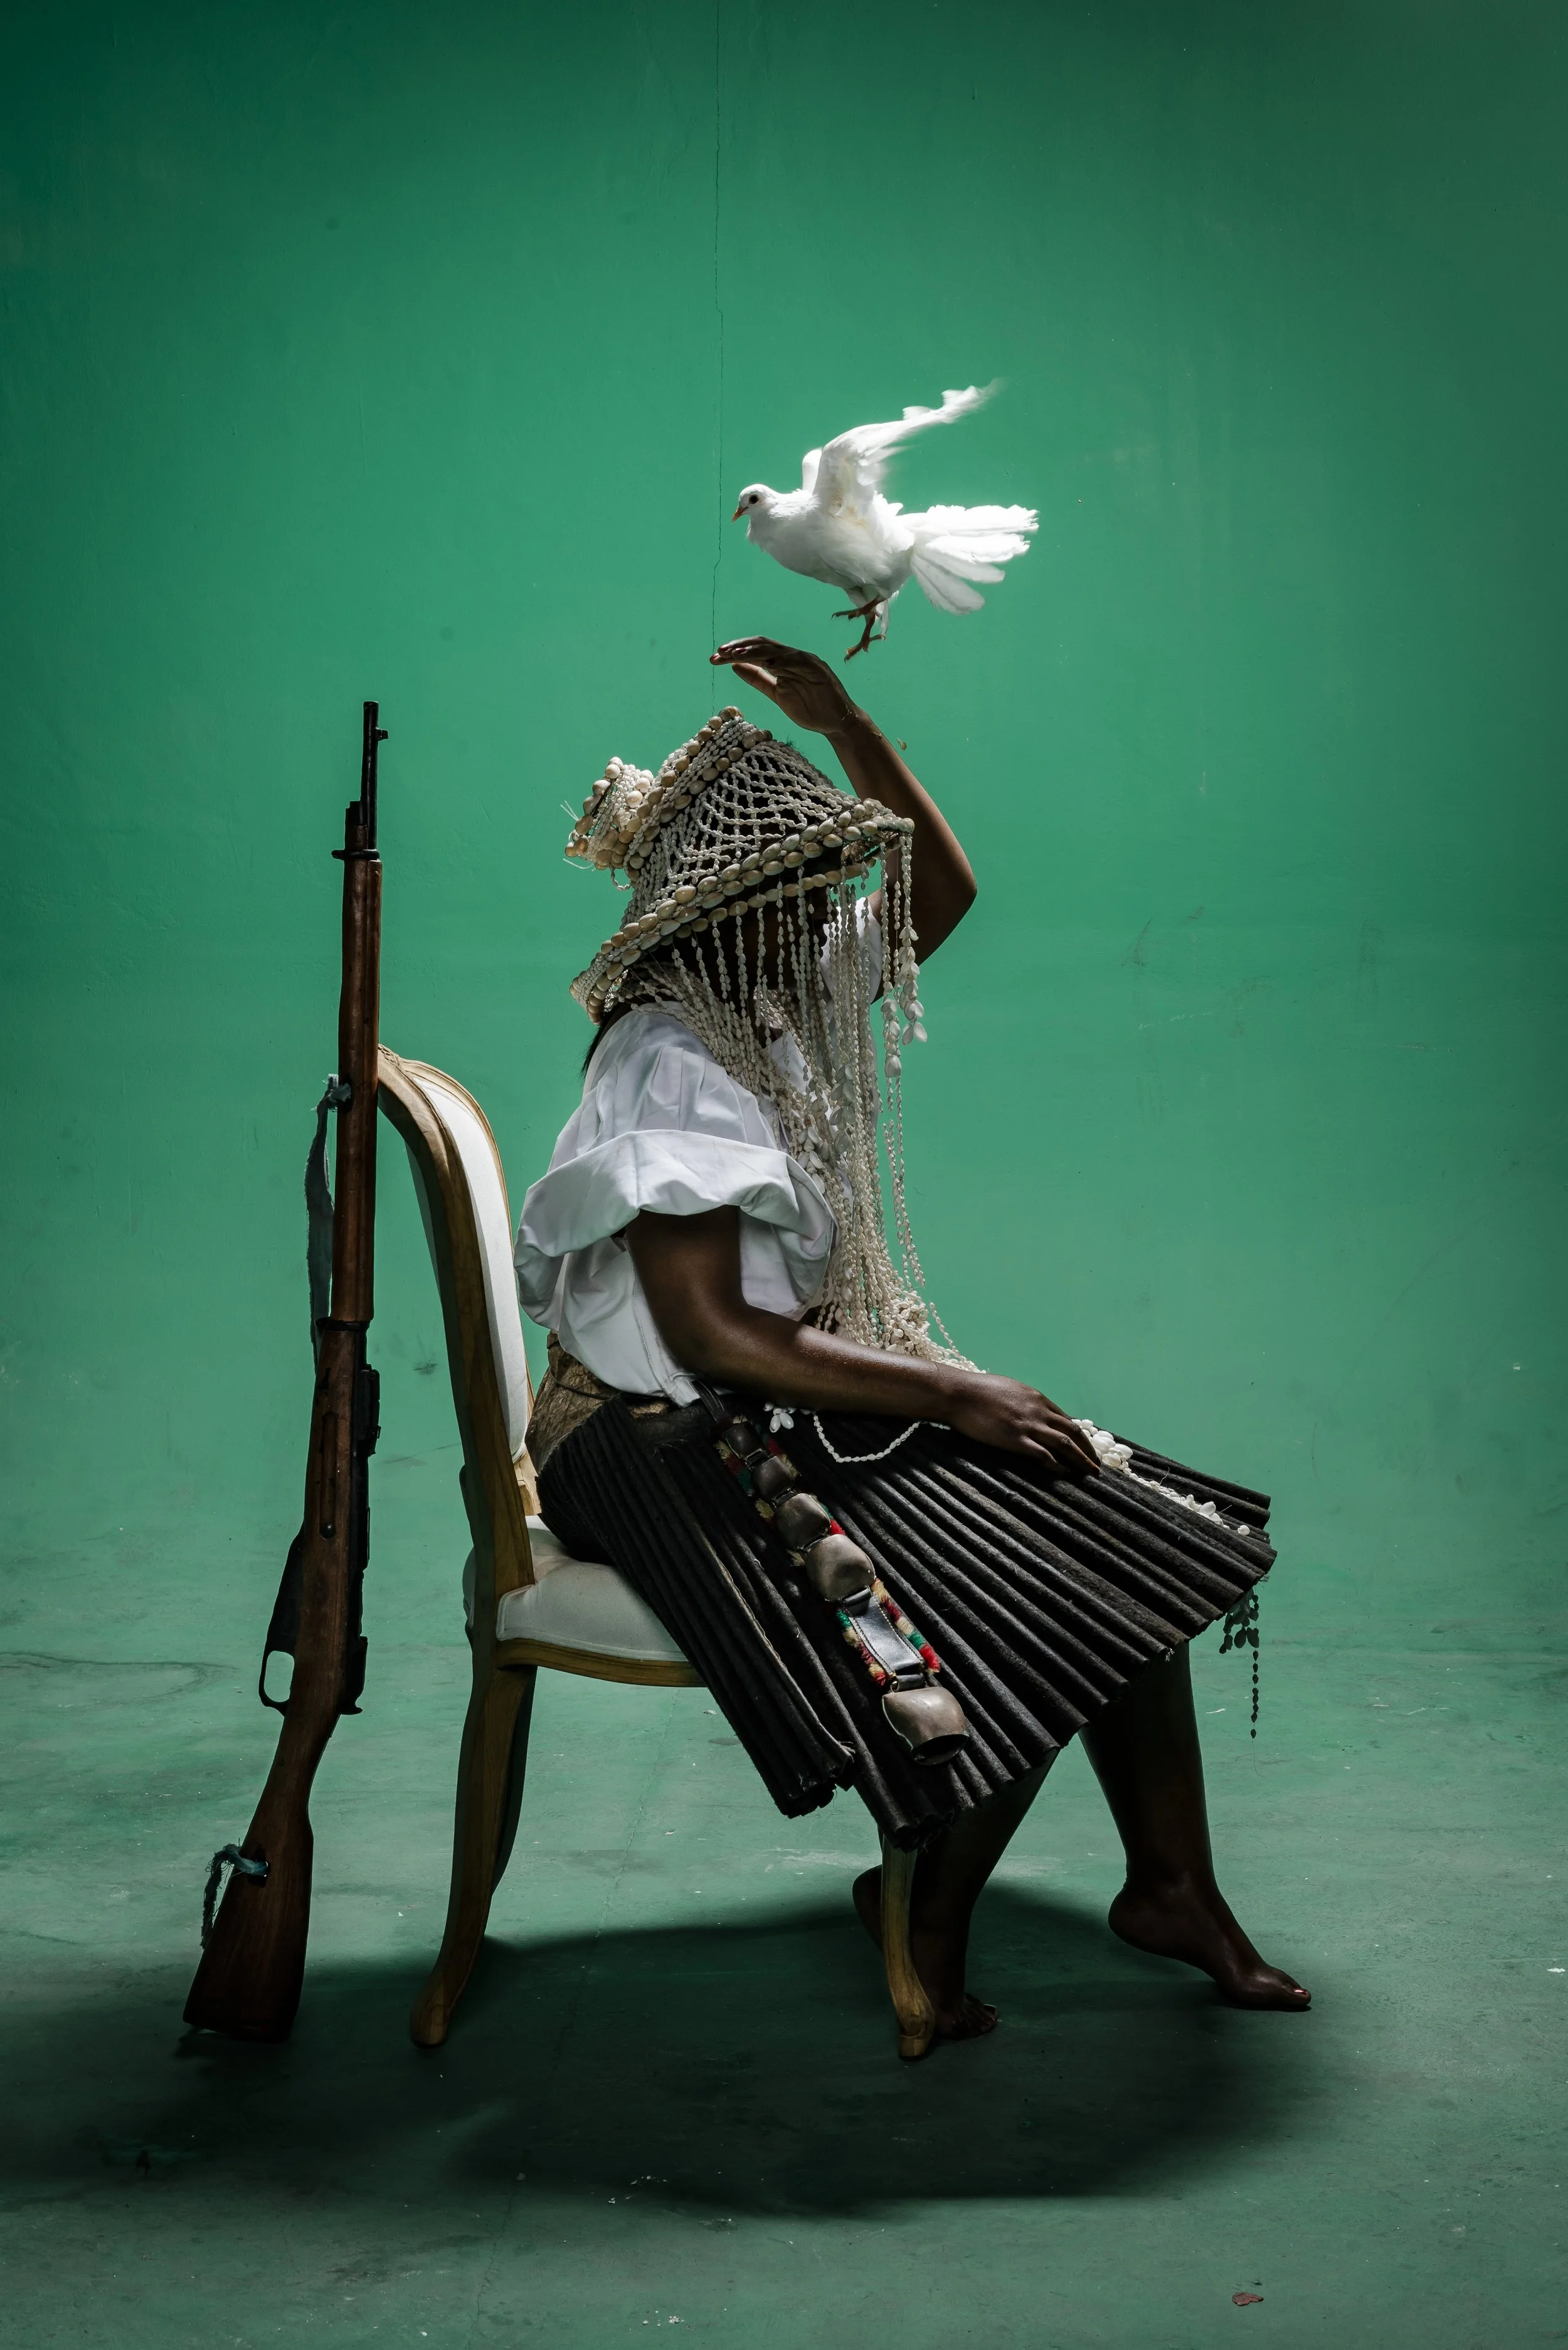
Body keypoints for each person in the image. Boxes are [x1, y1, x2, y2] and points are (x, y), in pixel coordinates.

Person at [514, 637, 1308, 2048]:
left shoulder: (772, 998)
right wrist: (950, 1387)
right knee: (1029, 1563)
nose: (831, 901)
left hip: (751, 1400)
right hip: (651, 1440)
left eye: (824, 876)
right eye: (799, 881)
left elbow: (936, 891)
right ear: (723, 906)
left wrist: (850, 723)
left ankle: (1172, 1886)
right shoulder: (668, 1059)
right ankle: (927, 1911)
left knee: (1098, 1508)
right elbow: (706, 1331)